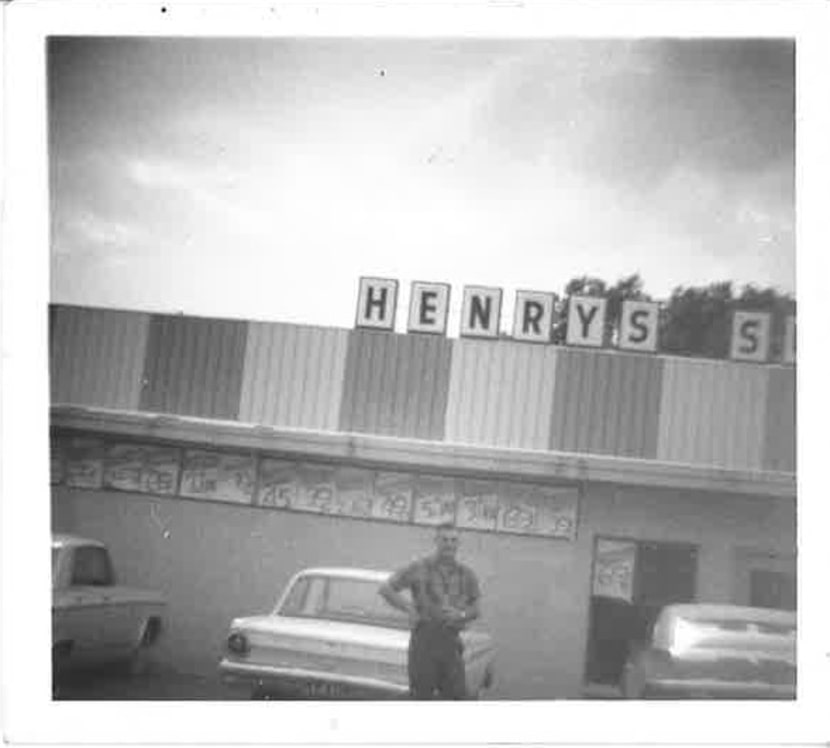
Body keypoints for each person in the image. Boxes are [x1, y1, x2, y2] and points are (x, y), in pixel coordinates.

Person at [379, 522, 481, 699]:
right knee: (421, 697)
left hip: (451, 641)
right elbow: (386, 589)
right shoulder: (418, 567)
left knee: (456, 697)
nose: (449, 544)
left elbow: (476, 608)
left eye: (453, 540)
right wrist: (409, 608)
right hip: (424, 640)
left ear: (458, 544)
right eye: (444, 540)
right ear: (436, 541)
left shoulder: (467, 574)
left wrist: (461, 615)